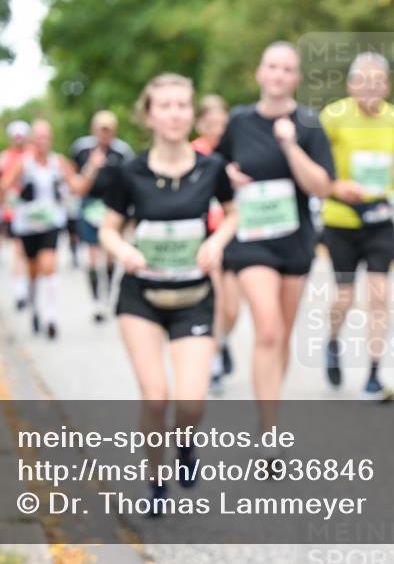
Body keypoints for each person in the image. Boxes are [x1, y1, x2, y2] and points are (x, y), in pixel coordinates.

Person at [99, 73, 238, 515]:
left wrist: (217, 242)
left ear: (191, 113)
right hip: (140, 297)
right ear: (149, 115)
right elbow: (107, 228)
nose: (175, 114)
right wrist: (124, 251)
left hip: (193, 295)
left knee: (191, 402)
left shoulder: (211, 168)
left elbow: (234, 213)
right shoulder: (129, 172)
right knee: (156, 395)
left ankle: (185, 444)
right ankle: (156, 480)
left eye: (182, 105)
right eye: (165, 106)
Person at [216, 41, 334, 436]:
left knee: (281, 335)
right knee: (267, 329)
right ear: (259, 73)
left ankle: (270, 409)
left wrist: (289, 143)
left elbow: (322, 186)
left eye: (287, 69)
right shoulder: (239, 121)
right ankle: (269, 429)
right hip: (250, 241)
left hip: (294, 242)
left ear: (296, 78)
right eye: (272, 66)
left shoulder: (309, 124)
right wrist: (227, 175)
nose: (278, 74)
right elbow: (214, 168)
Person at [319, 52, 394, 401]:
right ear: (351, 85)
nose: (371, 87)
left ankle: (373, 376)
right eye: (363, 81)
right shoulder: (333, 117)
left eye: (378, 81)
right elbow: (317, 165)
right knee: (345, 297)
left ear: (387, 86)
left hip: (380, 218)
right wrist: (335, 186)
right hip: (342, 220)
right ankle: (333, 341)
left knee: (379, 295)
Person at [0, 120, 90, 340]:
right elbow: (4, 186)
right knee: (33, 271)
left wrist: (91, 169)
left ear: (51, 139)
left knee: (49, 266)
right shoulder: (23, 163)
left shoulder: (58, 162)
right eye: (38, 137)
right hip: (27, 225)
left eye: (46, 136)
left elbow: (77, 187)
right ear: (33, 140)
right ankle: (35, 309)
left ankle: (51, 318)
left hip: (51, 223)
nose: (42, 141)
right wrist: (13, 194)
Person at [193, 94, 241, 392]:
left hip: (234, 235)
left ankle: (222, 342)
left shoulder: (236, 151)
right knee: (216, 300)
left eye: (222, 124)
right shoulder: (193, 155)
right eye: (211, 124)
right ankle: (213, 366)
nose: (217, 130)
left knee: (232, 309)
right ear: (200, 124)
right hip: (205, 236)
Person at [70, 110, 134, 323]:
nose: (104, 134)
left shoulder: (122, 152)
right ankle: (96, 299)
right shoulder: (82, 149)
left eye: (108, 130)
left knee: (109, 255)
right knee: (91, 254)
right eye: (101, 130)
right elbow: (75, 180)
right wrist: (92, 166)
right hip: (89, 205)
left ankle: (107, 295)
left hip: (112, 207)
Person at [0, 121, 33, 310]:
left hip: (34, 211)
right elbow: (2, 186)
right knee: (18, 250)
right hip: (15, 211)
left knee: (31, 254)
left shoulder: (33, 154)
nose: (19, 140)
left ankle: (29, 286)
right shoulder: (5, 157)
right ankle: (20, 291)